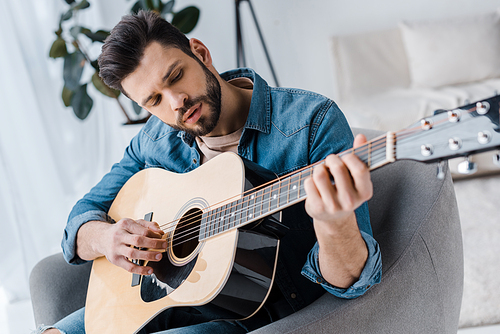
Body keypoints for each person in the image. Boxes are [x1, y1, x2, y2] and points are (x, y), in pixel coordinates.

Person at [38, 10, 381, 334]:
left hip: (257, 315)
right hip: (164, 299)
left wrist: (333, 223)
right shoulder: (153, 142)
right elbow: (79, 223)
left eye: (175, 77)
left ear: (200, 53)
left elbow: (351, 277)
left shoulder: (311, 122)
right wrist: (107, 238)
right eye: (154, 101)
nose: (175, 102)